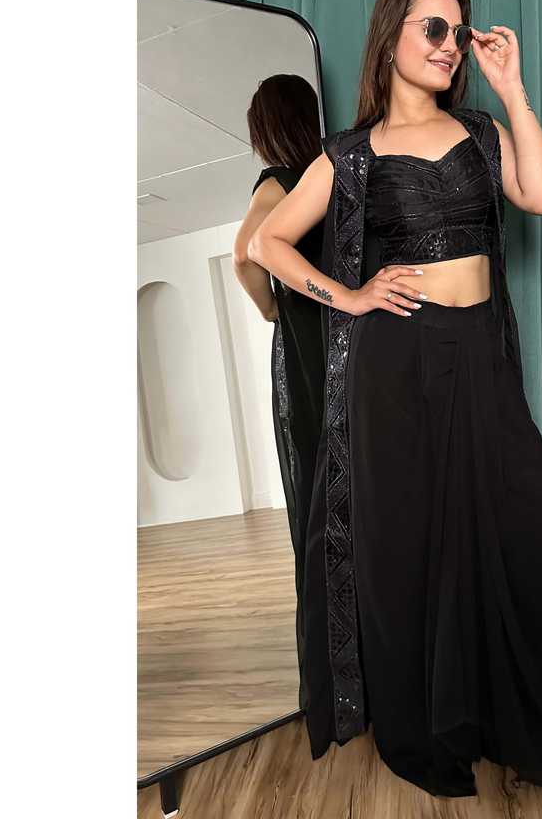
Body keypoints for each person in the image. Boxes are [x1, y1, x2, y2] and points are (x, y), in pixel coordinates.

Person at [247, 0, 542, 798]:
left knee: (541, 527)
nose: (450, 45)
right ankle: (432, 724)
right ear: (391, 39)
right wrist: (351, 297)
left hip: (478, 355)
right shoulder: (351, 154)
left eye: (458, 31)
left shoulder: (481, 131)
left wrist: (512, 89)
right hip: (398, 367)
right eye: (432, 28)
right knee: (412, 547)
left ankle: (512, 714)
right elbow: (268, 245)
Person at [233, 74, 326, 714]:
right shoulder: (328, 173)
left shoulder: (275, 182)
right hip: (346, 337)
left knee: (315, 477)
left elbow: (244, 256)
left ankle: (331, 650)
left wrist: (272, 310)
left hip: (303, 344)